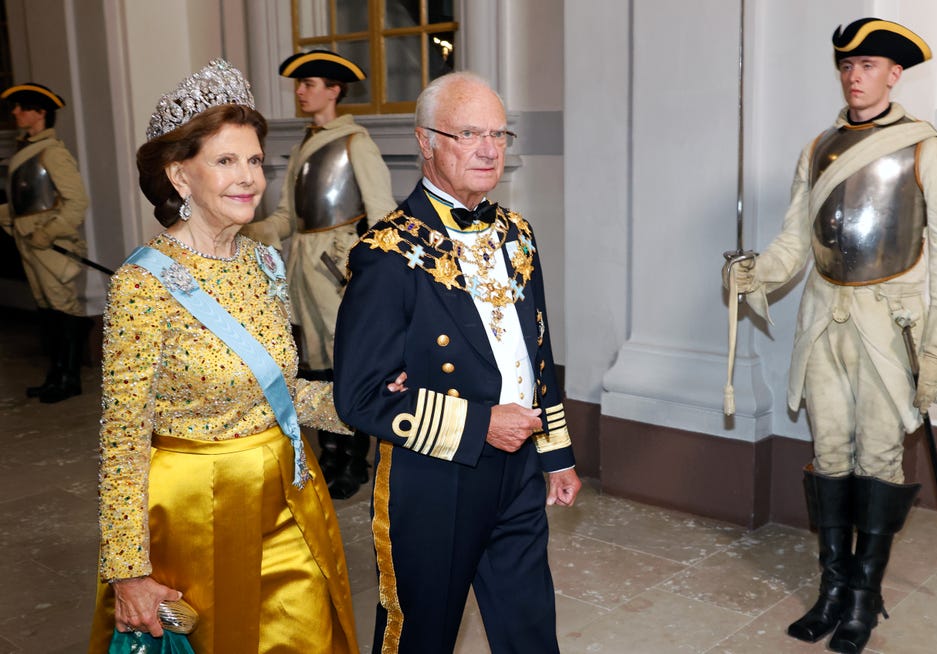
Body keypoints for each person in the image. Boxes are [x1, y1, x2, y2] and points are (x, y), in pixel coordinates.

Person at [86, 59, 390, 653]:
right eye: (225, 161)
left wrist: (375, 404)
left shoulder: (263, 264)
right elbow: (122, 437)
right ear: (179, 176)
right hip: (195, 510)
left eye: (254, 160)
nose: (249, 177)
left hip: (288, 495)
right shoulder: (142, 284)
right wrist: (128, 571)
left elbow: (287, 392)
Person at [729, 19, 937, 654]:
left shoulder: (924, 146)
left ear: (895, 75)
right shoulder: (818, 147)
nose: (855, 75)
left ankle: (866, 599)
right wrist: (756, 270)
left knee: (880, 458)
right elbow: (795, 240)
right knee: (831, 454)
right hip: (823, 318)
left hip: (886, 325)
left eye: (868, 65)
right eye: (847, 66)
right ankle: (833, 589)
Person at [333, 71, 582, 654]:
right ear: (426, 141)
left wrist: (557, 455)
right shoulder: (388, 253)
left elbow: (536, 356)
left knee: (530, 632)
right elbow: (360, 396)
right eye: (469, 132)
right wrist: (480, 424)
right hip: (434, 475)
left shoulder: (517, 235)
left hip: (518, 472)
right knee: (421, 635)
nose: (489, 149)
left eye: (499, 133)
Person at [243, 49, 396, 499]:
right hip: (301, 269)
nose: (300, 91)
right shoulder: (303, 146)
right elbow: (288, 218)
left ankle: (353, 461)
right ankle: (327, 455)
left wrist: (354, 262)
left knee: (345, 364)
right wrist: (246, 228)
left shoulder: (356, 143)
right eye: (299, 84)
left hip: (336, 270)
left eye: (309, 84)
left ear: (334, 90)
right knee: (313, 369)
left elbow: (384, 215)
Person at [0, 82, 90, 403]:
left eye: (22, 107)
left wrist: (49, 232)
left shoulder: (51, 152)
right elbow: (27, 199)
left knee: (62, 307)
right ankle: (56, 374)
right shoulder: (29, 149)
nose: (15, 113)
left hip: (48, 244)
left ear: (40, 113)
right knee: (47, 309)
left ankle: (69, 378)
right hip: (29, 240)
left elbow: (77, 201)